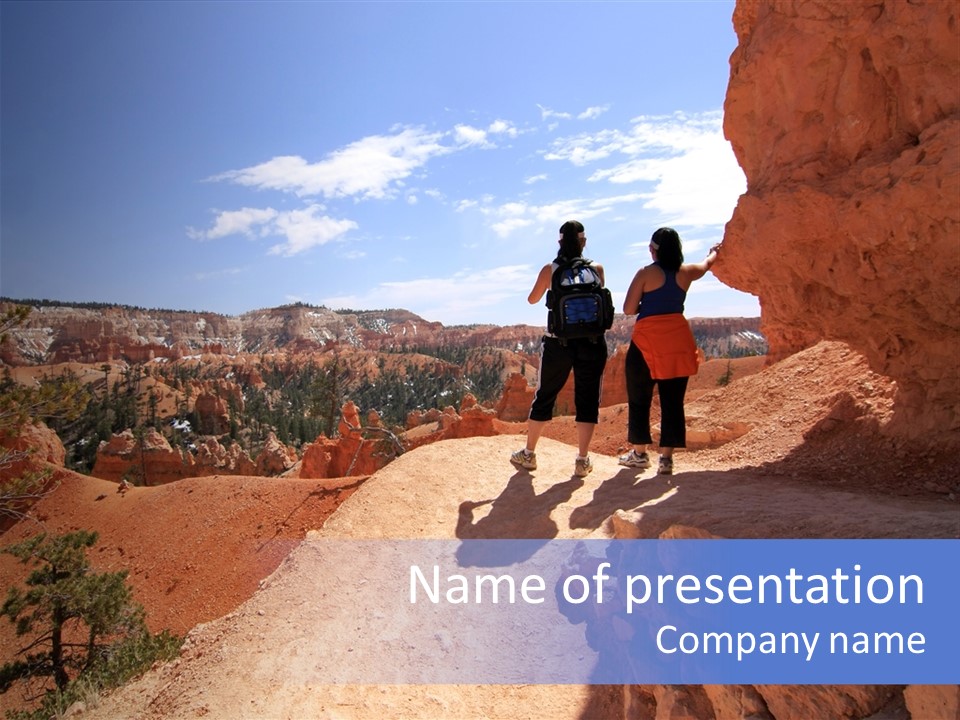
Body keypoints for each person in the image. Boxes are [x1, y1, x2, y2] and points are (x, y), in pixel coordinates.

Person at [618, 227, 721, 475]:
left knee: (639, 396)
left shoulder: (646, 273)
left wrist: (646, 301)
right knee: (673, 400)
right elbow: (706, 265)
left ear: (654, 250)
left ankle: (640, 454)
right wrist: (714, 253)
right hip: (677, 340)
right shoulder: (685, 273)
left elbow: (629, 309)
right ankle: (666, 459)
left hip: (647, 342)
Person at [511, 220, 609, 478]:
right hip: (592, 342)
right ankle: (582, 460)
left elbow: (532, 299)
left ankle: (529, 454)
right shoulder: (596, 269)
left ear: (559, 243)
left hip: (558, 343)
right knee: (588, 399)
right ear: (583, 242)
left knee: (545, 395)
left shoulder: (550, 269)